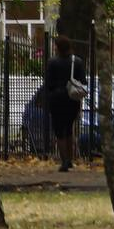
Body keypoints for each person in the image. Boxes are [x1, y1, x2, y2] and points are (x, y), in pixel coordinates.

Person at [46, 37, 85, 172]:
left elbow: (48, 83)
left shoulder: (52, 62)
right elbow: (83, 82)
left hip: (56, 99)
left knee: (59, 130)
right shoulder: (77, 62)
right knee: (69, 128)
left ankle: (64, 161)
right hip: (72, 99)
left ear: (58, 47)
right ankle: (70, 160)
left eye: (55, 46)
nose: (54, 48)